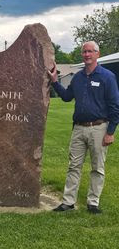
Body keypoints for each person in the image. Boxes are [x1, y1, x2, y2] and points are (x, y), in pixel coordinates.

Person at [48, 41, 119, 214]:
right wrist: (55, 82)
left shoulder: (107, 77)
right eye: (84, 52)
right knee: (74, 166)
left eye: (90, 52)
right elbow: (66, 97)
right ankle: (68, 202)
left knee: (97, 168)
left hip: (99, 128)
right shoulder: (78, 77)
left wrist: (110, 132)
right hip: (79, 129)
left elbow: (115, 106)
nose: (87, 55)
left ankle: (93, 202)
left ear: (97, 54)